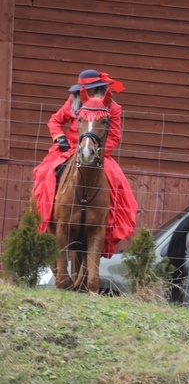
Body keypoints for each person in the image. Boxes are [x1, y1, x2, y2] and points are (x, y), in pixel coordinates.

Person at [31, 69, 138, 258]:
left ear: (98, 89)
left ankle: (109, 224)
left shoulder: (113, 108)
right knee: (43, 173)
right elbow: (55, 121)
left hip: (98, 152)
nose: (86, 91)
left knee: (117, 180)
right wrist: (60, 138)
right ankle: (44, 217)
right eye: (84, 89)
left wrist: (98, 152)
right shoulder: (74, 101)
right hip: (69, 149)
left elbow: (114, 136)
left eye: (89, 88)